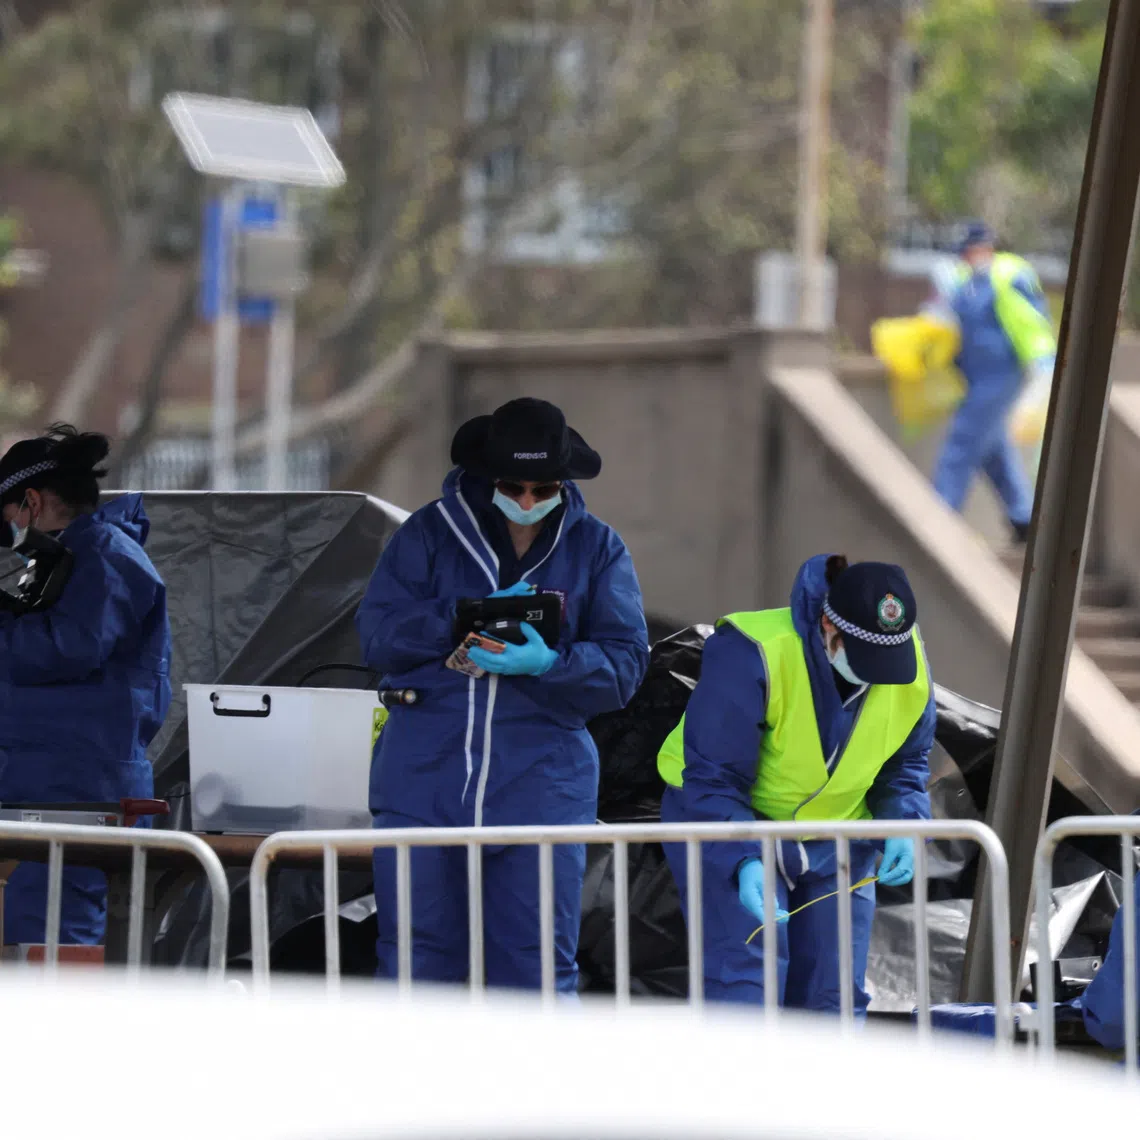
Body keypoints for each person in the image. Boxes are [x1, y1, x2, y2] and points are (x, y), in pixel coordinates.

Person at [357, 397, 648, 993]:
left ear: (563, 482)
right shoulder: (426, 536)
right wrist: (458, 620)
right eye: (510, 485)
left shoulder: (598, 548)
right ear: (486, 476)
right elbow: (378, 637)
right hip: (423, 783)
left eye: (541, 487)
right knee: (415, 964)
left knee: (535, 970)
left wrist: (551, 662)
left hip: (543, 788)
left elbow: (625, 665)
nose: (524, 500)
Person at [656, 554, 936, 1013]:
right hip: (734, 820)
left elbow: (904, 762)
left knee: (834, 996)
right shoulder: (755, 652)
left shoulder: (905, 662)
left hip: (839, 837)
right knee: (744, 990)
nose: (876, 675)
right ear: (828, 626)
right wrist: (741, 856)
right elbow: (713, 777)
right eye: (864, 658)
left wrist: (903, 820)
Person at [0, 425, 172, 945]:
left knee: (52, 943)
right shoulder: (67, 560)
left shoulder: (106, 555)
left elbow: (66, 647)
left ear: (30, 501)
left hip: (77, 793)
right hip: (47, 787)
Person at [930, 221, 1057, 545]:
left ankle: (938, 516)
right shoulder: (964, 280)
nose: (966, 257)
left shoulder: (1008, 273)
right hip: (974, 376)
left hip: (1001, 373)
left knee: (963, 442)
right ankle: (1023, 517)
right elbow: (948, 318)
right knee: (994, 451)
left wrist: (1043, 360)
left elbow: (1031, 320)